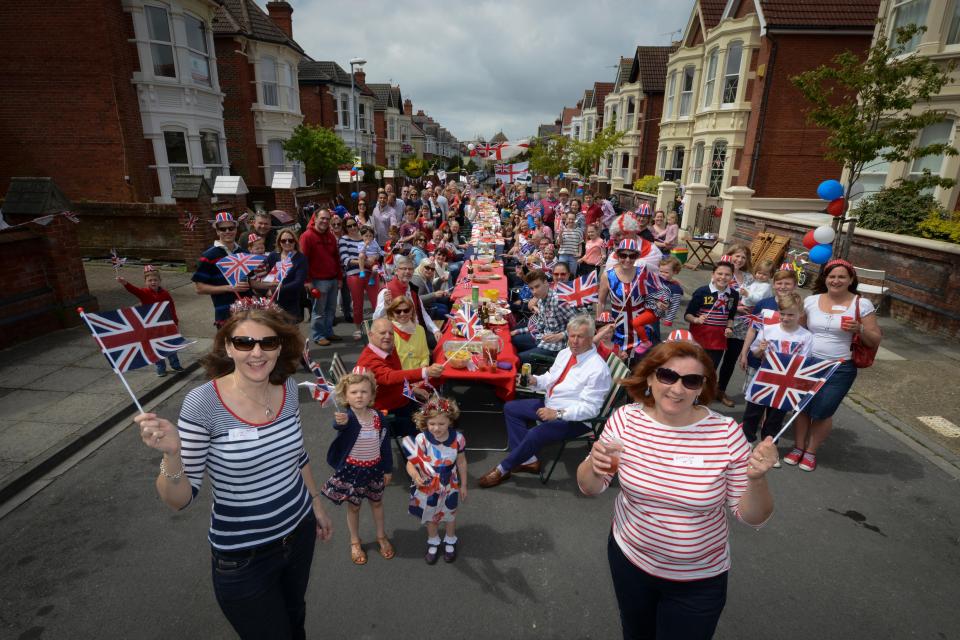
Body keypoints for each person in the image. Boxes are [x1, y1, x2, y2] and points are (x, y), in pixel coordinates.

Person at [133, 304, 334, 637]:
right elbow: (178, 500)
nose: (256, 353)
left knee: (296, 618)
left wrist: (315, 501)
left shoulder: (286, 389)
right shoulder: (203, 403)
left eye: (267, 343)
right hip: (245, 558)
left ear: (280, 346)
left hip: (300, 534)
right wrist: (173, 454)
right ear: (227, 346)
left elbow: (296, 454)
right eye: (244, 343)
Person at [577, 340, 776, 640]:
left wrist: (757, 479)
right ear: (649, 376)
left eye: (691, 380)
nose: (677, 389)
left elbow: (752, 517)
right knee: (635, 634)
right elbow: (590, 488)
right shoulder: (625, 420)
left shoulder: (725, 434)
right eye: (667, 376)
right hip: (630, 560)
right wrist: (594, 464)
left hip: (698, 578)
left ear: (702, 387)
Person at [480, 316, 611, 488]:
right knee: (511, 408)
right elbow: (551, 377)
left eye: (580, 337)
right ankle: (529, 459)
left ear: (591, 336)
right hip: (551, 405)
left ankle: (503, 468)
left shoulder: (597, 369)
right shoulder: (566, 353)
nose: (575, 341)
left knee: (535, 433)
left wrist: (557, 414)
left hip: (575, 420)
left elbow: (591, 410)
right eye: (572, 336)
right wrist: (535, 381)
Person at [788, 259, 882, 472]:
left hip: (840, 367)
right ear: (825, 279)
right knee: (801, 407)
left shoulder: (862, 304)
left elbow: (875, 339)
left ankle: (811, 451)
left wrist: (860, 329)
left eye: (841, 277)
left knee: (823, 411)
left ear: (850, 280)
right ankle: (798, 447)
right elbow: (798, 331)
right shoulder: (811, 301)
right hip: (809, 363)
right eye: (832, 276)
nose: (836, 280)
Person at [323, 371, 395, 565]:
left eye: (364, 391)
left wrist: (388, 469)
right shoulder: (347, 418)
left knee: (377, 503)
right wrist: (340, 423)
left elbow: (385, 445)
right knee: (354, 507)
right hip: (353, 471)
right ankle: (355, 540)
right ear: (345, 396)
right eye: (353, 392)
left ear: (372, 395)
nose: (359, 396)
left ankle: (381, 536)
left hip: (375, 469)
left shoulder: (378, 417)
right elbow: (339, 425)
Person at [741, 292, 813, 444]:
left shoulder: (806, 336)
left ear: (800, 314)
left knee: (776, 417)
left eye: (791, 315)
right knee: (753, 412)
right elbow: (755, 352)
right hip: (764, 377)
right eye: (782, 313)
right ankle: (746, 442)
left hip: (786, 383)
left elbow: (804, 361)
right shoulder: (768, 329)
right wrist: (760, 349)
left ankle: (769, 446)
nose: (786, 318)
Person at [406, 396, 468, 564]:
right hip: (428, 485)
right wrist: (416, 476)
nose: (436, 428)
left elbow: (461, 462)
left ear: (450, 421)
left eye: (442, 424)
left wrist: (464, 485)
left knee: (450, 514)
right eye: (432, 424)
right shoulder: (421, 440)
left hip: (450, 484)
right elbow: (411, 464)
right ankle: (433, 541)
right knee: (430, 515)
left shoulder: (458, 439)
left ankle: (450, 540)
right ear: (426, 422)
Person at [357, 318, 444, 437]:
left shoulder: (387, 349)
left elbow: (397, 376)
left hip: (402, 399)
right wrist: (426, 371)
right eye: (382, 333)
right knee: (435, 423)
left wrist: (411, 389)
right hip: (386, 414)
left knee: (439, 412)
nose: (387, 336)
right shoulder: (369, 360)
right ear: (371, 335)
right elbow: (389, 377)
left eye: (390, 333)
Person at [597, 239, 670, 352]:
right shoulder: (607, 275)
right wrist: (600, 326)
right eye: (623, 255)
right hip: (617, 329)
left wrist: (662, 302)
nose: (627, 259)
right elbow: (601, 302)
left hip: (641, 329)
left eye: (632, 256)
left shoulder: (643, 273)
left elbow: (661, 291)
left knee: (641, 365)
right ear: (617, 255)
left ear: (637, 257)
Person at [117, 265, 184, 376]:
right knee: (156, 347)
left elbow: (171, 308)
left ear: (160, 281)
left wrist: (175, 323)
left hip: (165, 325)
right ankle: (160, 368)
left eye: (155, 280)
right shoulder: (144, 293)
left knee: (171, 345)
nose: (153, 282)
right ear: (146, 282)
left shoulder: (165, 294)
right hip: (151, 326)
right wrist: (125, 283)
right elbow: (134, 290)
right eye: (150, 280)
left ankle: (175, 365)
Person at [192, 212, 251, 327]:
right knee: (227, 345)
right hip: (226, 315)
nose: (227, 231)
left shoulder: (244, 253)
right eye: (223, 229)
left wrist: (272, 284)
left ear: (236, 229)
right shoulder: (208, 256)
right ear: (217, 231)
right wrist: (229, 288)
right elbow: (199, 288)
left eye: (231, 228)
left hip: (248, 312)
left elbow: (251, 281)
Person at [684, 260, 740, 379]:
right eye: (720, 274)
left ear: (732, 277)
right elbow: (688, 315)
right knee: (693, 369)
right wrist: (696, 320)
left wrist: (729, 327)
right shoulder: (702, 292)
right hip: (699, 338)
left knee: (710, 371)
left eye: (727, 274)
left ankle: (704, 396)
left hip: (718, 340)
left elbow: (731, 316)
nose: (723, 277)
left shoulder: (734, 295)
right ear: (713, 275)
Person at [714, 244, 754, 407]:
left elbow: (753, 297)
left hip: (742, 325)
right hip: (722, 322)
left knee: (730, 361)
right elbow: (714, 298)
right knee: (713, 360)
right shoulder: (722, 273)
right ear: (729, 256)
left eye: (743, 257)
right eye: (736, 256)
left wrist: (752, 306)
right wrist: (736, 307)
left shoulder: (750, 277)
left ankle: (720, 390)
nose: (739, 260)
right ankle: (704, 389)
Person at [510, 269, 576, 367]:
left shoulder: (559, 300)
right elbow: (539, 326)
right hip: (542, 338)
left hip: (556, 346)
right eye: (531, 288)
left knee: (517, 359)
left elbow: (580, 325)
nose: (534, 291)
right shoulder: (541, 300)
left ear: (546, 282)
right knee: (512, 340)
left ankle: (525, 378)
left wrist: (561, 335)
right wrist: (519, 331)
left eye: (537, 286)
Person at [373, 256, 442, 348]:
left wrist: (435, 330)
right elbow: (376, 319)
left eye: (410, 269)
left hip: (417, 331)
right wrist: (385, 307)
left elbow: (423, 313)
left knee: (440, 341)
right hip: (398, 337)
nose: (407, 272)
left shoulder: (412, 289)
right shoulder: (386, 291)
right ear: (396, 271)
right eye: (404, 269)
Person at [300, 208, 342, 347]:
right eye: (322, 218)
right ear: (315, 218)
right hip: (318, 281)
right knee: (319, 311)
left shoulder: (330, 236)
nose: (324, 221)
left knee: (331, 309)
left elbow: (336, 258)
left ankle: (328, 332)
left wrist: (340, 278)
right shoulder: (307, 236)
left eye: (327, 218)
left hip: (333, 278)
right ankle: (318, 335)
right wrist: (307, 281)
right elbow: (303, 260)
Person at [338, 218, 381, 340]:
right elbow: (345, 260)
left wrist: (375, 257)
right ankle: (358, 329)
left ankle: (378, 327)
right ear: (345, 228)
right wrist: (364, 262)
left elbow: (376, 251)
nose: (352, 228)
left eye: (354, 225)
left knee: (376, 302)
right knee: (358, 304)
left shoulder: (366, 236)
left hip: (371, 273)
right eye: (349, 226)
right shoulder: (343, 240)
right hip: (354, 274)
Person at [256, 228, 309, 323]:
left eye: (290, 240)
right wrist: (266, 290)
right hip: (273, 301)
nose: (287, 243)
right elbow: (263, 274)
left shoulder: (301, 258)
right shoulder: (273, 256)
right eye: (283, 240)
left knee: (291, 331)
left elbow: (298, 282)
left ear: (295, 242)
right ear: (279, 242)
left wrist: (277, 290)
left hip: (292, 301)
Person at [386, 295, 429, 370]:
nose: (402, 314)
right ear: (392, 313)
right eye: (398, 311)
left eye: (406, 310)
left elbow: (425, 356)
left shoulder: (420, 330)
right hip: (399, 377)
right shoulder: (388, 332)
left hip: (418, 374)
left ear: (412, 311)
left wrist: (424, 366)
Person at [657, 256, 685, 335]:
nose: (662, 274)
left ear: (675, 272)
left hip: (658, 315)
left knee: (654, 333)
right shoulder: (655, 280)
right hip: (646, 311)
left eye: (666, 272)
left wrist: (669, 319)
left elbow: (674, 305)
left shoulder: (675, 288)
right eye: (661, 271)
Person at [557, 211, 583, 276]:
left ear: (575, 219)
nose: (571, 220)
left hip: (574, 256)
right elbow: (560, 243)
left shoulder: (579, 230)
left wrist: (579, 253)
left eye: (573, 219)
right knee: (561, 273)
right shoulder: (562, 229)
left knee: (572, 274)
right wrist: (560, 234)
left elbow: (580, 243)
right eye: (569, 219)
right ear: (566, 219)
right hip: (563, 255)